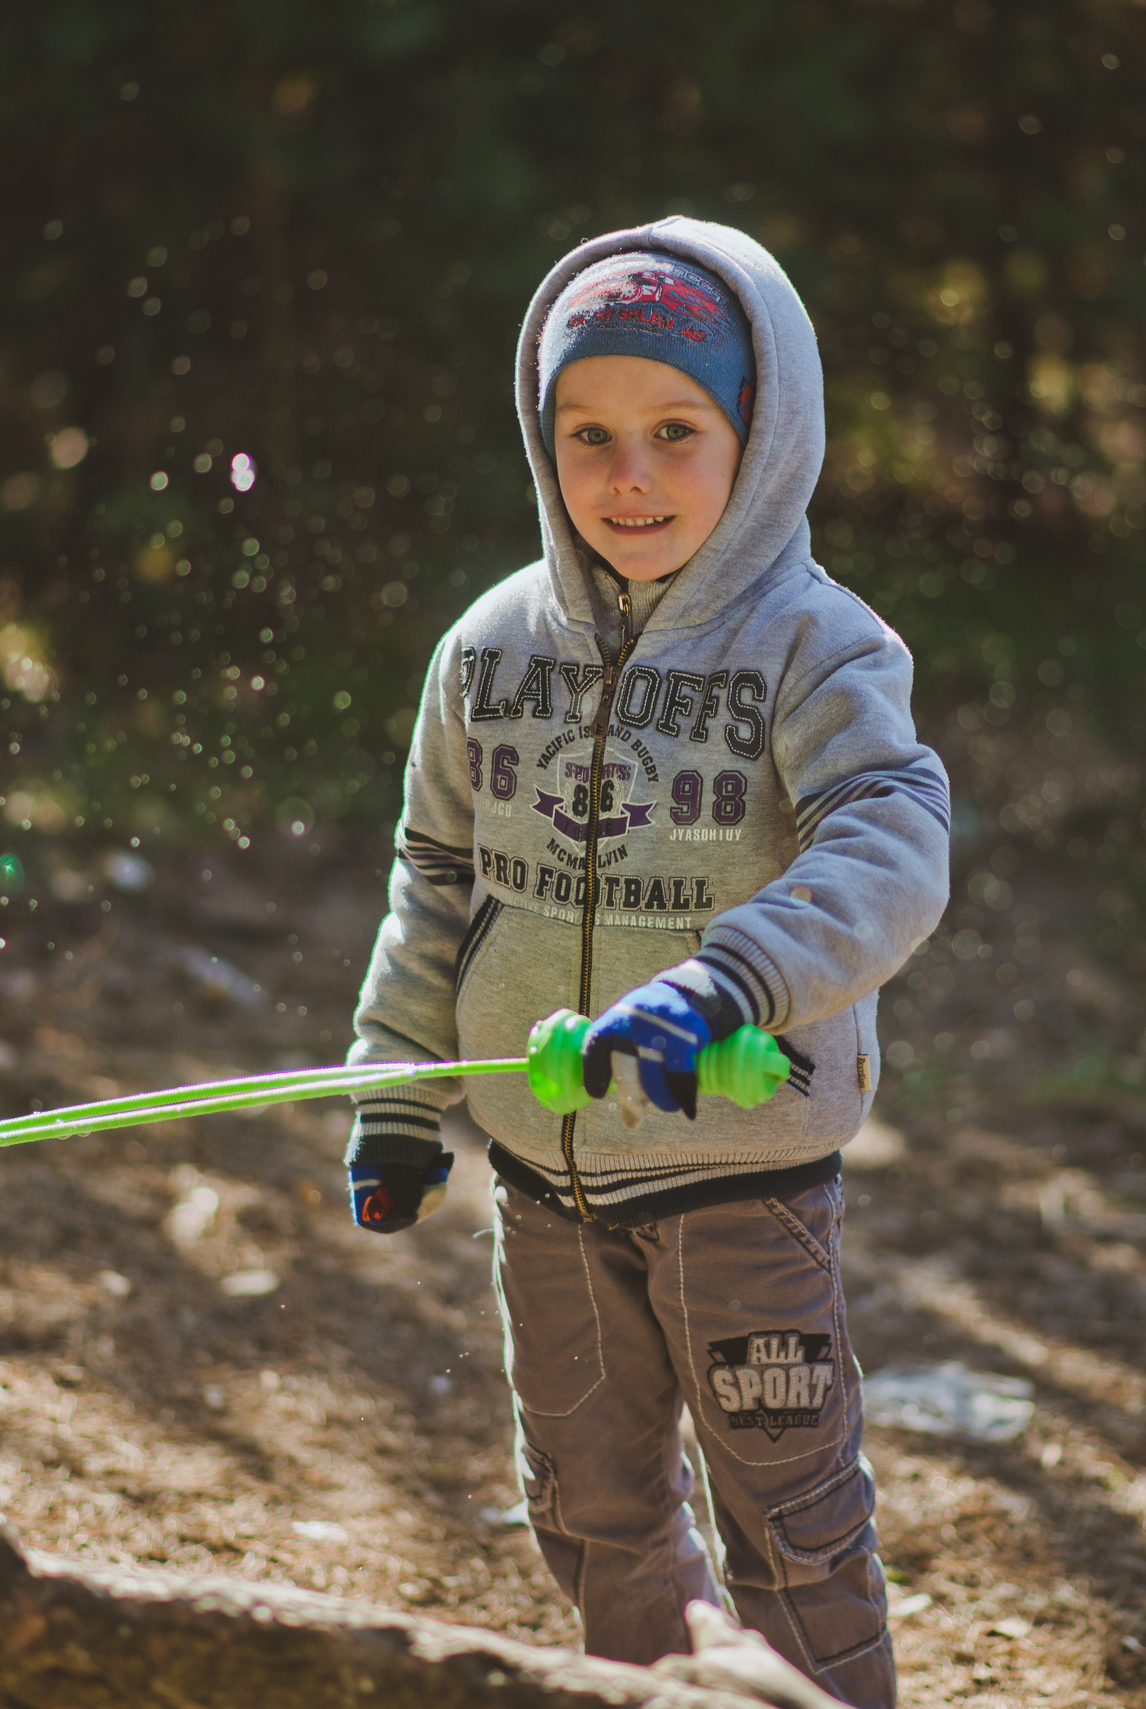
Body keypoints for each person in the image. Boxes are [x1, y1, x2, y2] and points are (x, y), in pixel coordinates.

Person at [343, 216, 950, 1709]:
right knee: (590, 1510)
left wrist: (731, 980)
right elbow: (436, 881)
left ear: (764, 433)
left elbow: (893, 840)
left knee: (792, 1527)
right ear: (540, 440)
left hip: (745, 1183)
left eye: (677, 431)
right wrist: (400, 1093)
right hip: (543, 1192)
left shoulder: (819, 648)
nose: (629, 476)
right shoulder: (487, 650)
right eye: (589, 435)